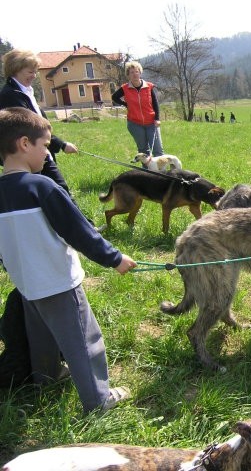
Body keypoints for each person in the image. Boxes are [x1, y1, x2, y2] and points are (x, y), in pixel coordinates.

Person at [0, 107, 138, 412]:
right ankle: (98, 399)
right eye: (45, 146)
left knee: (43, 339)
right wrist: (115, 258)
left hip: (26, 285)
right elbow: (79, 232)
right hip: (58, 282)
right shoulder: (42, 187)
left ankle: (47, 380)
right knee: (85, 341)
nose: (47, 155)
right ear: (24, 144)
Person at [0, 49, 78, 194]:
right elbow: (32, 129)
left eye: (35, 71)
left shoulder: (25, 92)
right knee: (58, 192)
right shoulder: (10, 96)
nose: (34, 76)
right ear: (16, 69)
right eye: (30, 71)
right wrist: (61, 145)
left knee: (60, 191)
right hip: (30, 156)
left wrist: (59, 144)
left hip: (40, 152)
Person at [111, 61, 164, 157]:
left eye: (136, 71)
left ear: (140, 72)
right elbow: (114, 97)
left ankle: (160, 172)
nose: (135, 74)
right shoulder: (125, 88)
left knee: (158, 150)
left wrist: (157, 118)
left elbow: (155, 103)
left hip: (151, 123)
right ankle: (146, 172)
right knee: (143, 151)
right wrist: (125, 104)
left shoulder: (148, 86)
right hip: (135, 124)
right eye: (132, 72)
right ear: (128, 75)